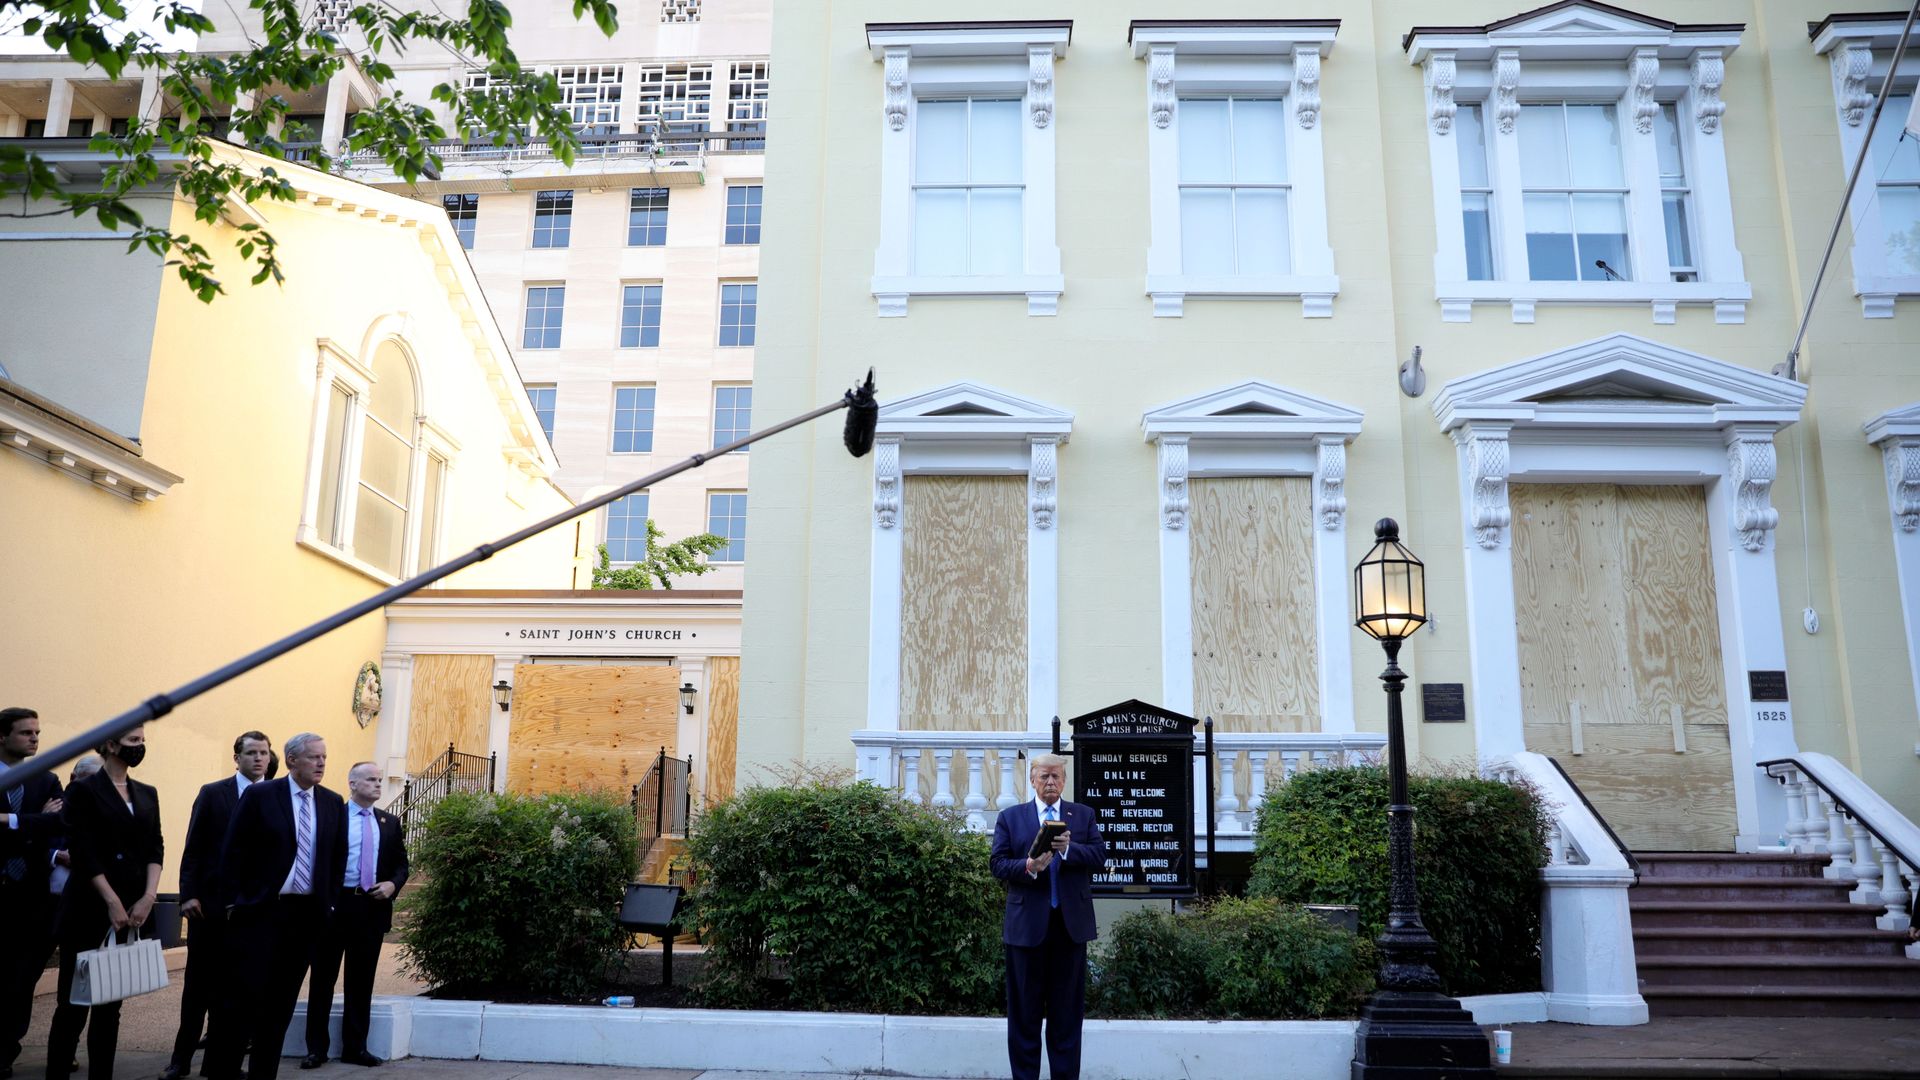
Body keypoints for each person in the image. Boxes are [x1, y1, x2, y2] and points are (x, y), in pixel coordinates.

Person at [207, 734, 343, 1080]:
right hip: (261, 913)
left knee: (280, 1006)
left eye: (324, 757)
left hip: (305, 916)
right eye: (314, 757)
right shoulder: (261, 795)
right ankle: (225, 1070)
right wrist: (233, 903)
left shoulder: (331, 802)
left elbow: (336, 859)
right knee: (244, 1001)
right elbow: (233, 851)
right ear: (291, 760)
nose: (321, 763)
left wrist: (329, 905)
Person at [45, 726, 163, 1080]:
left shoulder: (147, 792)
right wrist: (111, 901)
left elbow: (155, 846)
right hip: (89, 908)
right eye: (133, 741)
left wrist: (148, 897)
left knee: (111, 1005)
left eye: (142, 741)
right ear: (111, 744)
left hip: (133, 908)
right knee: (73, 1003)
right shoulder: (84, 790)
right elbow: (83, 850)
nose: (140, 747)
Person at [989, 753, 1106, 1080]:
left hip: (1069, 931)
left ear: (1064, 780)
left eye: (1056, 776)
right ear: (1032, 779)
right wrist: (1028, 867)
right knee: (1023, 1016)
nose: (1050, 782)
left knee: (1066, 1017)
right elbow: (997, 864)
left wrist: (1069, 849)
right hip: (1026, 931)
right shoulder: (1011, 818)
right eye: (1044, 777)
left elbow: (1099, 855)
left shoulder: (1082, 816)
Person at [163, 731, 272, 1080]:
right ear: (236, 757)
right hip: (208, 907)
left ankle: (222, 1063)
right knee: (198, 987)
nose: (259, 759)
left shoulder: (274, 797)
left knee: (238, 990)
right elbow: (193, 848)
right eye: (251, 753)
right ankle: (180, 1060)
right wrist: (188, 894)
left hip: (251, 910)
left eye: (264, 753)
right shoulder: (214, 794)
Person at [303, 762, 408, 1069]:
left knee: (361, 982)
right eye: (371, 780)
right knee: (322, 980)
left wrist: (392, 884)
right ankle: (316, 1049)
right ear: (352, 783)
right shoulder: (333, 819)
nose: (378, 785)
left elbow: (401, 865)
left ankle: (355, 1047)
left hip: (371, 908)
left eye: (379, 780)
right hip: (335, 907)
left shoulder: (389, 822)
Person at [0, 708, 66, 1080]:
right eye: (26, 733)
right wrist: (33, 823)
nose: (35, 739)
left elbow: (58, 823)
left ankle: (6, 1050)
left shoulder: (46, 780)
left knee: (21, 979)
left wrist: (9, 821)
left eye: (37, 732)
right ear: (2, 737)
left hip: (31, 898)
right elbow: (42, 825)